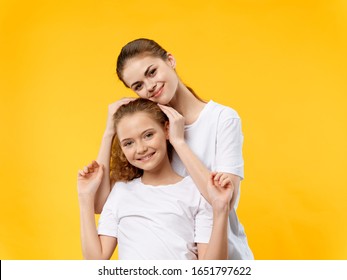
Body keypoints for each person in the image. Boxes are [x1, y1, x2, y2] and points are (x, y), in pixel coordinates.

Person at [93, 38, 254, 259]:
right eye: (138, 85)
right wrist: (109, 131)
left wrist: (179, 142)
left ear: (170, 60)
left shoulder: (222, 119)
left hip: (222, 256)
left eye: (152, 72)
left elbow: (225, 199)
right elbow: (102, 204)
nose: (149, 86)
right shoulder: (149, 131)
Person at [77, 99, 233, 259]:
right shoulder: (120, 192)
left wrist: (220, 208)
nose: (141, 149)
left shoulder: (196, 192)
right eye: (128, 143)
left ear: (167, 130)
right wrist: (85, 197)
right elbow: (95, 261)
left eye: (148, 135)